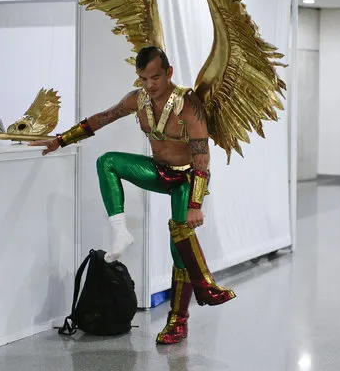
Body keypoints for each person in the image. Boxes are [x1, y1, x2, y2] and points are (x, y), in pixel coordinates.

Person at [30, 46, 236, 345]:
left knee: (179, 243)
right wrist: (60, 140)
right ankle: (120, 232)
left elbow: (203, 158)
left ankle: (179, 320)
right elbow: (101, 118)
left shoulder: (187, 104)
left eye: (155, 77)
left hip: (187, 178)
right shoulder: (137, 99)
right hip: (158, 169)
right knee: (107, 161)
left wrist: (195, 205)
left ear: (169, 72)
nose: (149, 85)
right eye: (143, 78)